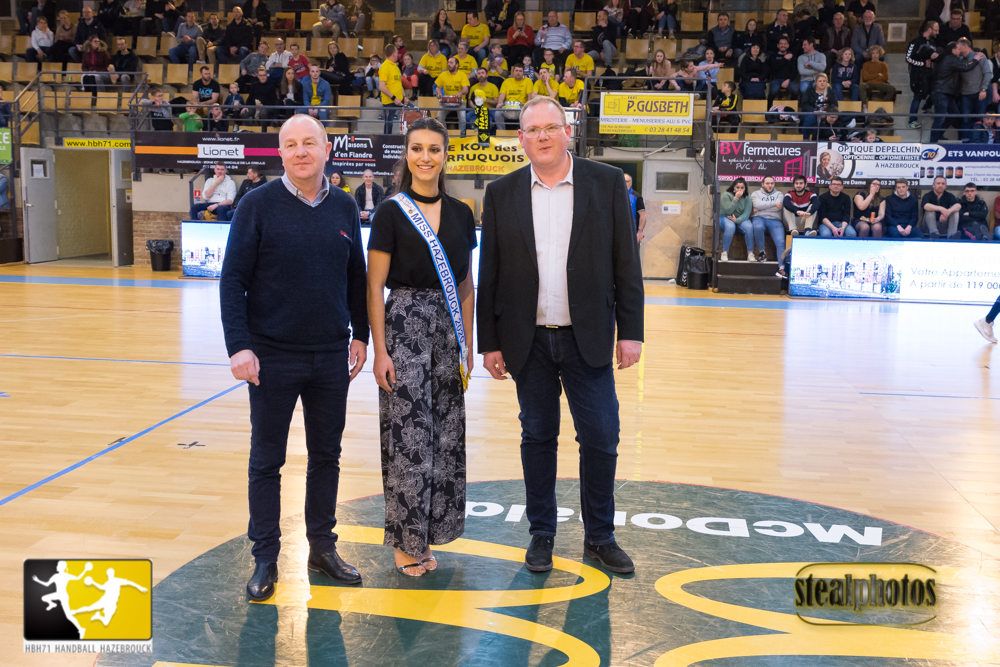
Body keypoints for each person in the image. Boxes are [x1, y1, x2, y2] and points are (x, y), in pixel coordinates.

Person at [477, 96, 644, 576]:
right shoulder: (501, 192)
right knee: (537, 436)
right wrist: (489, 342)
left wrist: (631, 331)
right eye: (533, 130)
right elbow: (490, 272)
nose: (543, 136)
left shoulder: (606, 182)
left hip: (586, 336)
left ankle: (600, 536)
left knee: (602, 436)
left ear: (567, 131)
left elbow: (626, 262)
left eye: (551, 127)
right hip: (526, 339)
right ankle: (541, 534)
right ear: (521, 139)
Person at [220, 114, 369, 602]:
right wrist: (239, 346)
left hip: (330, 356)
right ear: (280, 153)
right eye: (291, 144)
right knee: (267, 460)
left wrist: (362, 335)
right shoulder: (256, 205)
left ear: (327, 150)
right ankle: (265, 557)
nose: (301, 151)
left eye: (309, 143)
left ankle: (321, 549)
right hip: (271, 356)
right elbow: (232, 280)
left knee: (327, 457)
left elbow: (355, 276)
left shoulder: (344, 205)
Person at [366, 116, 476, 577]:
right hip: (404, 326)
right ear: (406, 155)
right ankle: (406, 543)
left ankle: (433, 532)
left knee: (445, 436)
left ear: (445, 156)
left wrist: (468, 343)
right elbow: (374, 286)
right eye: (417, 149)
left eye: (434, 149)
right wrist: (380, 351)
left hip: (448, 332)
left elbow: (466, 285)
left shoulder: (462, 213)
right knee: (409, 435)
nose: (425, 157)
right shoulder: (391, 212)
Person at [931, 41, 985, 143]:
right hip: (941, 92)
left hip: (946, 92)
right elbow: (965, 67)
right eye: (958, 49)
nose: (960, 51)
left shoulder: (948, 58)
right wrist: (976, 59)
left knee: (954, 115)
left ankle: (938, 134)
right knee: (940, 117)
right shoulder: (950, 59)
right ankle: (932, 142)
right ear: (953, 50)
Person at [906, 20, 940, 129]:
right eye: (936, 30)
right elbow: (908, 58)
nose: (937, 33)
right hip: (918, 75)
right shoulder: (915, 42)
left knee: (935, 92)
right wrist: (922, 63)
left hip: (930, 74)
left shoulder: (933, 43)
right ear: (929, 30)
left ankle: (926, 107)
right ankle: (912, 121)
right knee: (917, 96)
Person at [960, 40, 993, 142]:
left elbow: (988, 73)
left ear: (965, 46)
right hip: (965, 93)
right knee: (965, 120)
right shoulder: (959, 59)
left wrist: (983, 89)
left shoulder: (981, 57)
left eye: (959, 46)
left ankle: (980, 143)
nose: (958, 49)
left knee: (980, 120)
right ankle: (965, 143)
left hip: (979, 93)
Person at [751, 176, 787, 264]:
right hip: (759, 218)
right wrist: (774, 203)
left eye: (772, 183)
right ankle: (762, 253)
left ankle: (781, 267)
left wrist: (761, 207)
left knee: (781, 242)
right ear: (762, 184)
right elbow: (757, 205)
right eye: (767, 183)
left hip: (775, 220)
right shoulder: (755, 194)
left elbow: (778, 208)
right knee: (758, 227)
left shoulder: (779, 194)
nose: (770, 185)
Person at [718, 178, 755, 262]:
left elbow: (747, 213)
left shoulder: (748, 197)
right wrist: (736, 198)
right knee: (730, 227)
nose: (740, 190)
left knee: (749, 227)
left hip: (740, 218)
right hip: (726, 217)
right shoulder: (726, 195)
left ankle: (750, 253)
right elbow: (728, 210)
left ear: (745, 188)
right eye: (737, 187)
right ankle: (724, 253)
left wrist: (737, 220)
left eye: (742, 188)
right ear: (734, 187)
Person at [436, 56, 470, 136]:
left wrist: (460, 92)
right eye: (448, 62)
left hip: (460, 102)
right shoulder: (443, 74)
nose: (449, 64)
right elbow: (438, 87)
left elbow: (466, 89)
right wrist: (438, 93)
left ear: (456, 65)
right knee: (439, 116)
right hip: (446, 101)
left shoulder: (462, 75)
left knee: (462, 117)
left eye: (451, 63)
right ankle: (444, 134)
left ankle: (461, 135)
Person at [496, 63, 532, 129]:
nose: (518, 73)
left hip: (522, 107)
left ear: (523, 73)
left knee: (529, 112)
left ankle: (524, 131)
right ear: (513, 72)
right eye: (516, 71)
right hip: (508, 107)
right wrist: (500, 103)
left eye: (520, 71)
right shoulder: (506, 81)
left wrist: (527, 105)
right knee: (497, 113)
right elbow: (502, 95)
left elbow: (530, 95)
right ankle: (501, 132)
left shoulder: (528, 81)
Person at [379, 44, 405, 135]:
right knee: (389, 124)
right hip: (390, 102)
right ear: (393, 54)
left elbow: (399, 83)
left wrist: (404, 96)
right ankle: (386, 142)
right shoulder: (384, 67)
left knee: (412, 113)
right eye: (397, 52)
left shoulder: (396, 67)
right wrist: (394, 98)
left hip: (399, 100)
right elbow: (382, 87)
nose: (398, 54)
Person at [859, 45, 893, 111]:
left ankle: (882, 107)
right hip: (869, 84)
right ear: (870, 54)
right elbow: (866, 77)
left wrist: (871, 76)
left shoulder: (883, 65)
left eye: (876, 53)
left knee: (891, 89)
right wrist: (878, 74)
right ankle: (865, 107)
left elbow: (885, 78)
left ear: (879, 54)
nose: (875, 55)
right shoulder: (866, 64)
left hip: (881, 84)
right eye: (873, 53)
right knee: (861, 86)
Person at [800, 73, 833, 140]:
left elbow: (834, 104)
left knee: (830, 118)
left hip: (826, 113)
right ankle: (805, 139)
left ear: (826, 82)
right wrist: (814, 111)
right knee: (810, 118)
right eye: (820, 81)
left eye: (824, 81)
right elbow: (804, 104)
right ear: (816, 82)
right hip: (813, 112)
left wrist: (826, 112)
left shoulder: (830, 91)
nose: (822, 83)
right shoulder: (809, 91)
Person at [766, 37, 797, 105]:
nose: (783, 45)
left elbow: (794, 72)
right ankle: (769, 109)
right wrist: (784, 59)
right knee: (773, 91)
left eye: (785, 44)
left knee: (795, 90)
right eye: (781, 44)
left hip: (789, 80)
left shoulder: (792, 57)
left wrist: (788, 80)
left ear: (788, 45)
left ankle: (792, 109)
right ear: (778, 45)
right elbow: (774, 67)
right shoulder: (773, 56)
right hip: (776, 79)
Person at [624, 173, 646, 243]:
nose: (623, 183)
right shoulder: (616, 196)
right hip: (619, 233)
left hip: (632, 233)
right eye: (622, 181)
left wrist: (640, 231)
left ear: (630, 183)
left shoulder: (636, 196)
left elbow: (643, 215)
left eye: (626, 181)